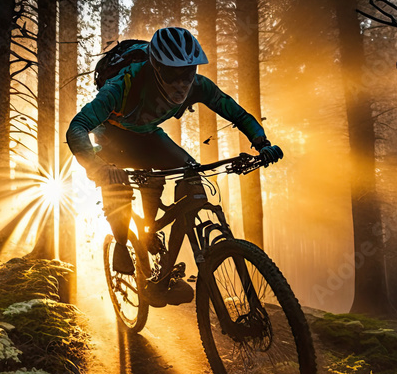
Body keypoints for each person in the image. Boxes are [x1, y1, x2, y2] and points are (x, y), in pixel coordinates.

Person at [65, 26, 283, 305]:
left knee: (192, 174)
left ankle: (164, 265)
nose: (181, 83)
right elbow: (77, 128)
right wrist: (98, 168)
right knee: (115, 183)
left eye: (188, 73)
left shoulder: (198, 86)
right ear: (155, 67)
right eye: (172, 74)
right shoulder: (122, 84)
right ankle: (121, 243)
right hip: (113, 138)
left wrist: (262, 143)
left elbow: (236, 113)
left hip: (148, 136)